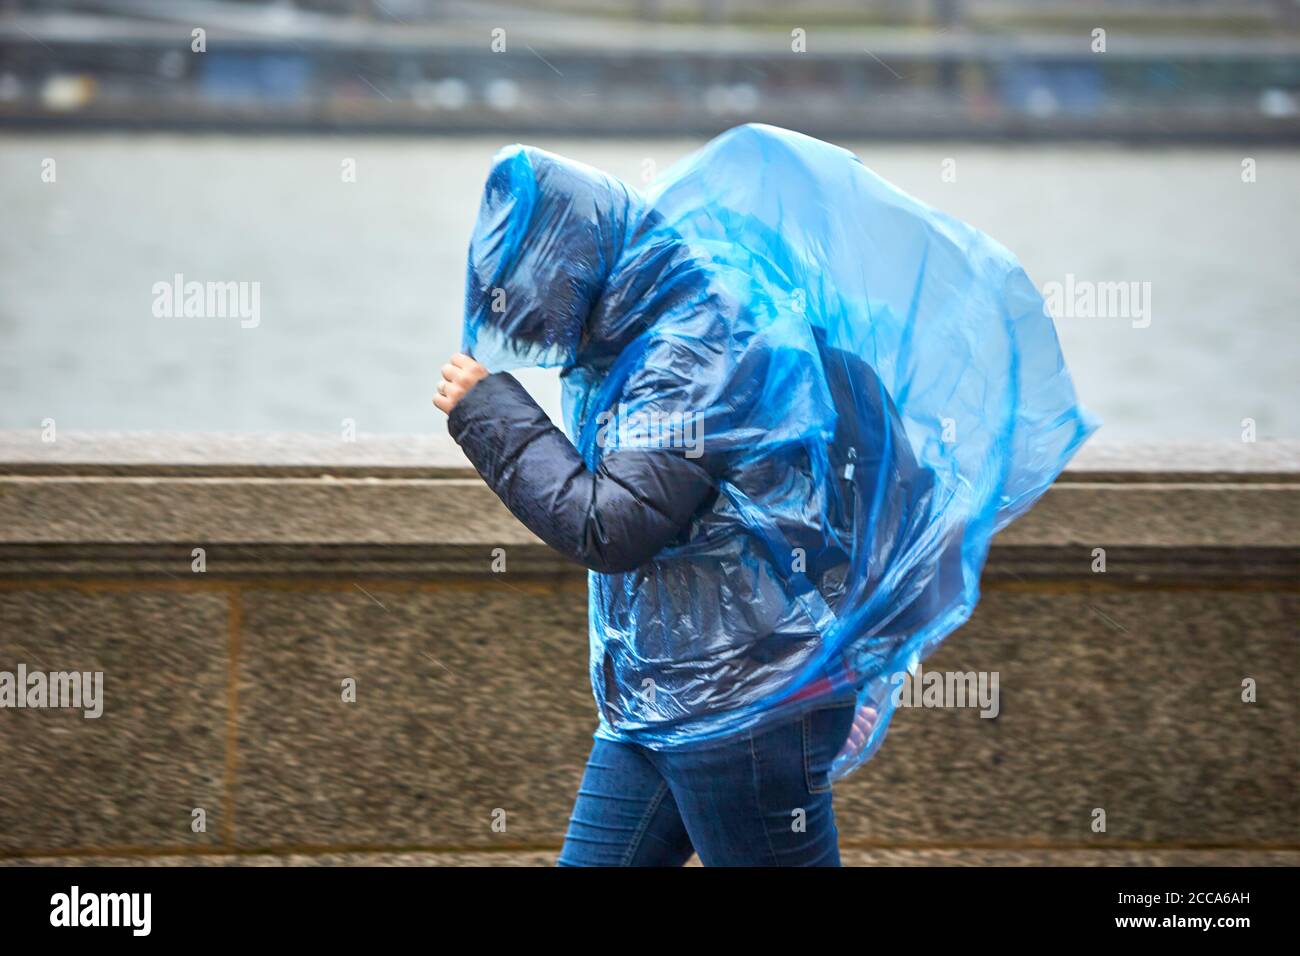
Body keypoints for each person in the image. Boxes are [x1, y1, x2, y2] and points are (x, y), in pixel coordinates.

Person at [433, 124, 1095, 866]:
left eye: (527, 313)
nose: (532, 338)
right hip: (663, 700)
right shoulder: (648, 321)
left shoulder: (696, 349)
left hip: (744, 706)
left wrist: (490, 412)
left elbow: (612, 523)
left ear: (566, 272)